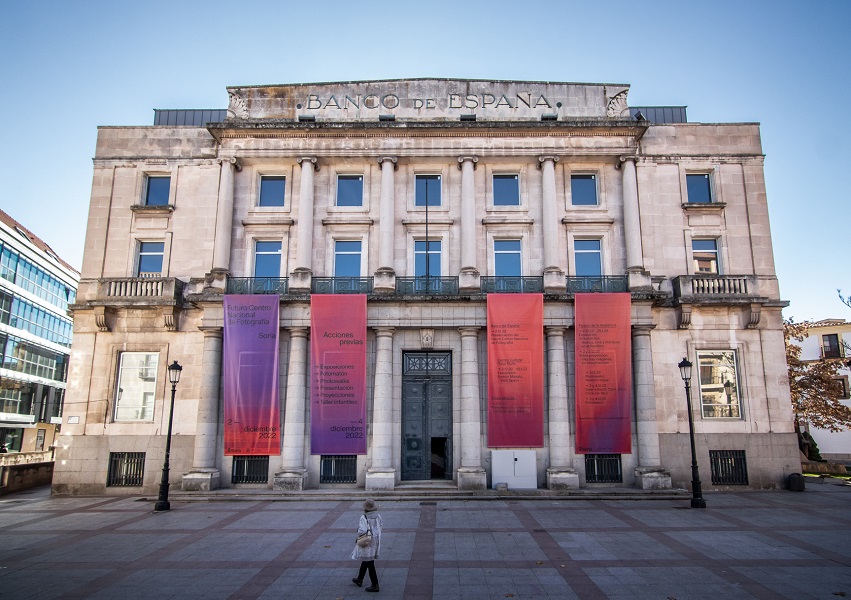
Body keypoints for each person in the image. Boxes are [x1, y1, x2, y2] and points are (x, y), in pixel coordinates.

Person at [351, 498, 382, 592]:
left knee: (369, 562)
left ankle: (375, 584)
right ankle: (359, 579)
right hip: (375, 540)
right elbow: (380, 526)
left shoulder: (364, 517)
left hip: (366, 541)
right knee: (367, 559)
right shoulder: (378, 516)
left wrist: (358, 531)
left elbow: (362, 531)